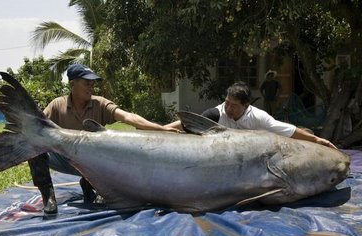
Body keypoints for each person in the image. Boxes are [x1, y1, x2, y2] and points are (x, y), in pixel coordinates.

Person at [29, 63, 179, 214]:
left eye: (93, 84)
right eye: (87, 83)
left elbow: (128, 116)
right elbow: (37, 126)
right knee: (34, 145)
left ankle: (90, 184)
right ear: (72, 84)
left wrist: (162, 128)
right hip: (65, 159)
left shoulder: (99, 104)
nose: (91, 88)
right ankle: (48, 196)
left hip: (95, 163)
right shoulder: (57, 105)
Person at [165, 81, 336, 149]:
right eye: (227, 102)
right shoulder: (216, 113)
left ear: (246, 105)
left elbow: (288, 131)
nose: (228, 108)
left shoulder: (259, 118)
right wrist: (160, 129)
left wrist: (318, 140)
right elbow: (187, 123)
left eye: (234, 105)